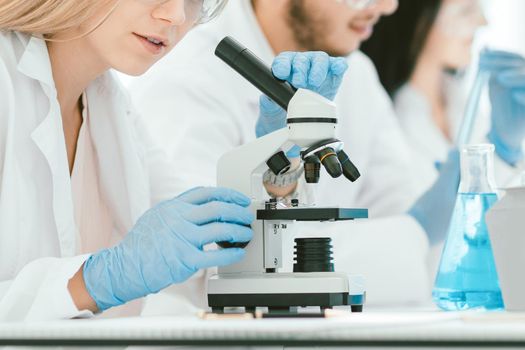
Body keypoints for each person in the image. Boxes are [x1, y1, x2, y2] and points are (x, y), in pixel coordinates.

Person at [0, 0, 345, 321]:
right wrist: (90, 283)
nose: (177, 15)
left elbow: (209, 254)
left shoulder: (112, 106)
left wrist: (275, 156)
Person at [128, 0, 461, 308]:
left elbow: (402, 227)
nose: (387, 7)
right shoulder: (184, 77)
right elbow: (212, 267)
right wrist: (416, 230)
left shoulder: (355, 71)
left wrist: (425, 223)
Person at [361, 0, 525, 277]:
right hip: (413, 303)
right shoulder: (379, 115)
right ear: (417, 20)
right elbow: (396, 250)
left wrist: (505, 151)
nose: (483, 23)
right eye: (465, 10)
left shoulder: (466, 109)